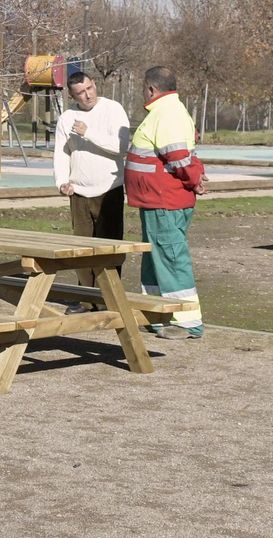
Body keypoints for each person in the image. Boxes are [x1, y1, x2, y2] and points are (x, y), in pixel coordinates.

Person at [125, 65, 209, 339]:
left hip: (165, 201)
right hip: (155, 200)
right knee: (156, 256)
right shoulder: (167, 111)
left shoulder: (168, 114)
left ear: (151, 88)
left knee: (171, 257)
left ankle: (187, 321)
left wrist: (195, 179)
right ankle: (157, 312)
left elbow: (179, 157)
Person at [53, 70, 130, 290]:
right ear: (73, 96)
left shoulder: (113, 109)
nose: (87, 95)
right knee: (82, 249)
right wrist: (62, 181)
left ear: (94, 84)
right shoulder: (67, 118)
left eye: (89, 88)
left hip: (109, 190)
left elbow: (121, 147)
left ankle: (109, 297)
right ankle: (86, 297)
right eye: (81, 93)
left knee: (109, 248)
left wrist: (88, 133)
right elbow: (61, 153)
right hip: (78, 192)